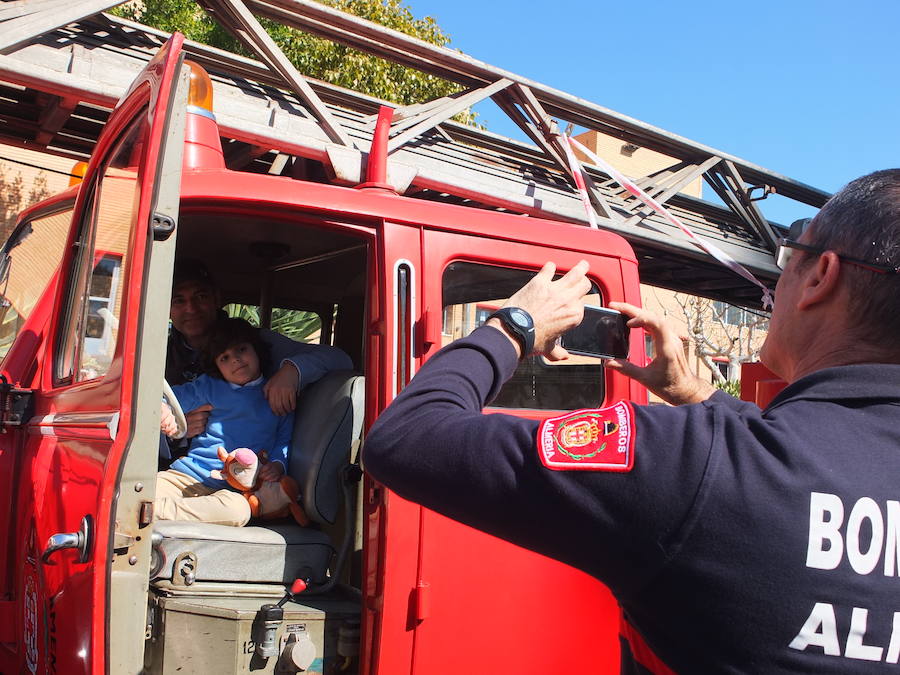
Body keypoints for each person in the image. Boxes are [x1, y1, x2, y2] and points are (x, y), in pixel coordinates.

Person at [362, 169, 900, 673]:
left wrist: (514, 327)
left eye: (789, 259)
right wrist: (693, 394)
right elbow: (791, 457)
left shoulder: (688, 463)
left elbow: (406, 438)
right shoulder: (730, 458)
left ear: (821, 277)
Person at [164, 259, 352, 454]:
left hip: (252, 466)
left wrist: (292, 371)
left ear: (216, 299)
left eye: (200, 296)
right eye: (179, 300)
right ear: (167, 308)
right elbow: (143, 414)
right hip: (185, 467)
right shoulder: (159, 355)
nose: (191, 309)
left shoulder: (252, 342)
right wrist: (173, 432)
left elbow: (340, 359)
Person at [157, 317, 295, 526]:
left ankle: (154, 511)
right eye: (224, 358)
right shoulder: (210, 385)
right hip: (187, 476)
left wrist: (277, 464)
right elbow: (170, 397)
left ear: (256, 349)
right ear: (216, 367)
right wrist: (163, 409)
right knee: (137, 492)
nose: (235, 360)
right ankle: (152, 508)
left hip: (234, 488)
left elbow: (284, 440)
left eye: (241, 349)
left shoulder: (275, 392)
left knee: (239, 512)